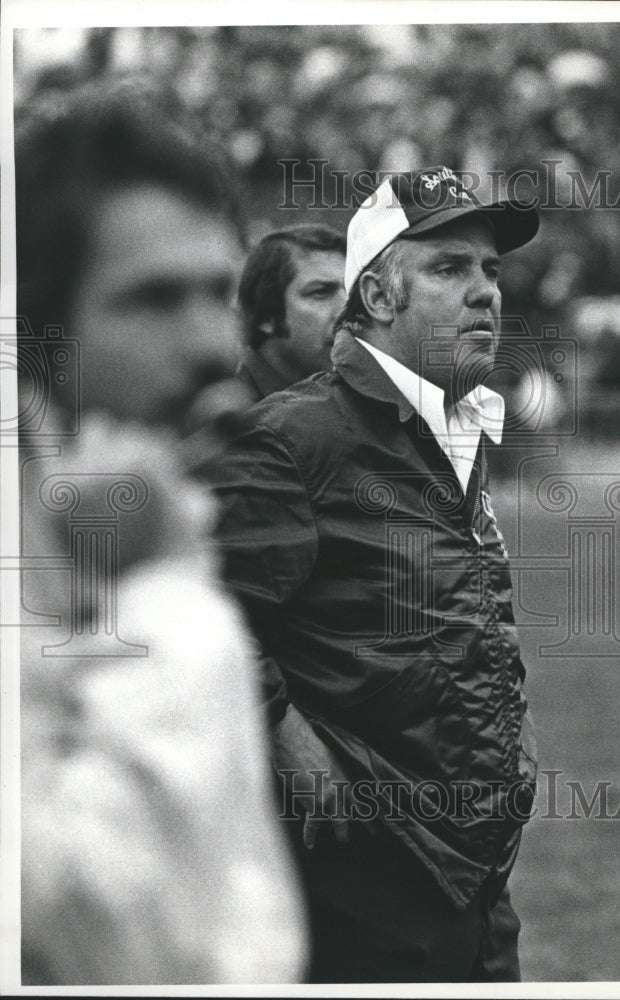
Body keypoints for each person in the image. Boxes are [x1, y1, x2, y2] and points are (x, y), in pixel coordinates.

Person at [207, 166, 540, 983]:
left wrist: (511, 730)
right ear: (380, 300)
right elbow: (205, 616)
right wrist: (284, 732)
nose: (485, 292)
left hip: (473, 870)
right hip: (365, 873)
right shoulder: (293, 436)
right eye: (449, 268)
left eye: (490, 270)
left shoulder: (455, 426)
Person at [14, 84, 306, 984]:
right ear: (37, 329)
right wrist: (166, 597)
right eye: (153, 299)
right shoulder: (131, 548)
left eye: (218, 291)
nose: (214, 344)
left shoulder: (111, 494)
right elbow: (105, 934)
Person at [236, 225, 346, 399]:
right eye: (320, 292)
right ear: (266, 315)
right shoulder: (233, 414)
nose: (347, 310)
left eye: (353, 292)